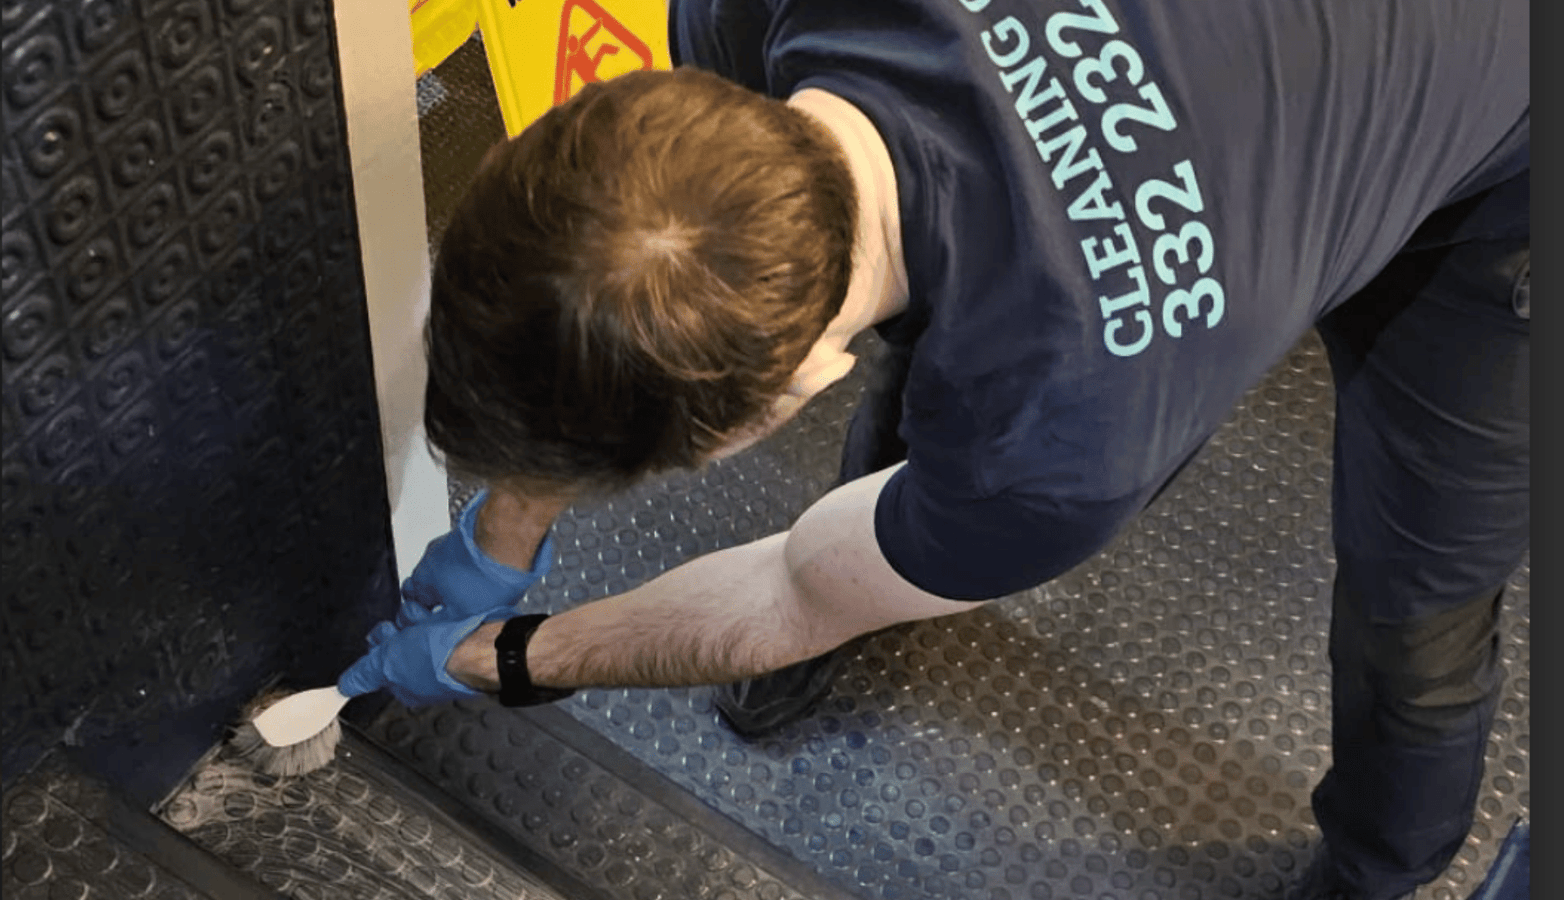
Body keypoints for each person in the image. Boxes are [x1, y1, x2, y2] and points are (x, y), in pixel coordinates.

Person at [337, 2, 1530, 898]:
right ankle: (895, 567)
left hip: (1511, 130)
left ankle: (1384, 864)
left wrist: (503, 658)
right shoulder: (729, 34)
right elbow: (630, 274)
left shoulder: (1055, 440)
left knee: (1416, 595)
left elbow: (788, 587)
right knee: (922, 358)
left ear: (800, 383)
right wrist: (497, 539)